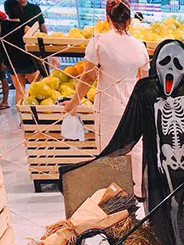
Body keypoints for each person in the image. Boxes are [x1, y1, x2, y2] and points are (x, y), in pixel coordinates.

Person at [64, 0, 149, 198]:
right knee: (136, 151)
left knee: (109, 153)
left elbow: (88, 77)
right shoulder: (140, 46)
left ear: (107, 18)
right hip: (134, 109)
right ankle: (139, 193)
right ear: (130, 20)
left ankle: (115, 197)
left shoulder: (99, 42)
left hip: (109, 107)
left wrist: (73, 103)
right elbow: (143, 82)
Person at [1, 0, 39, 105]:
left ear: (6, 12)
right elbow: (35, 44)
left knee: (19, 89)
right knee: (37, 87)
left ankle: (21, 113)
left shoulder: (2, 26)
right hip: (27, 63)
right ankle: (33, 108)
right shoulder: (25, 28)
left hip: (11, 64)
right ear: (20, 9)